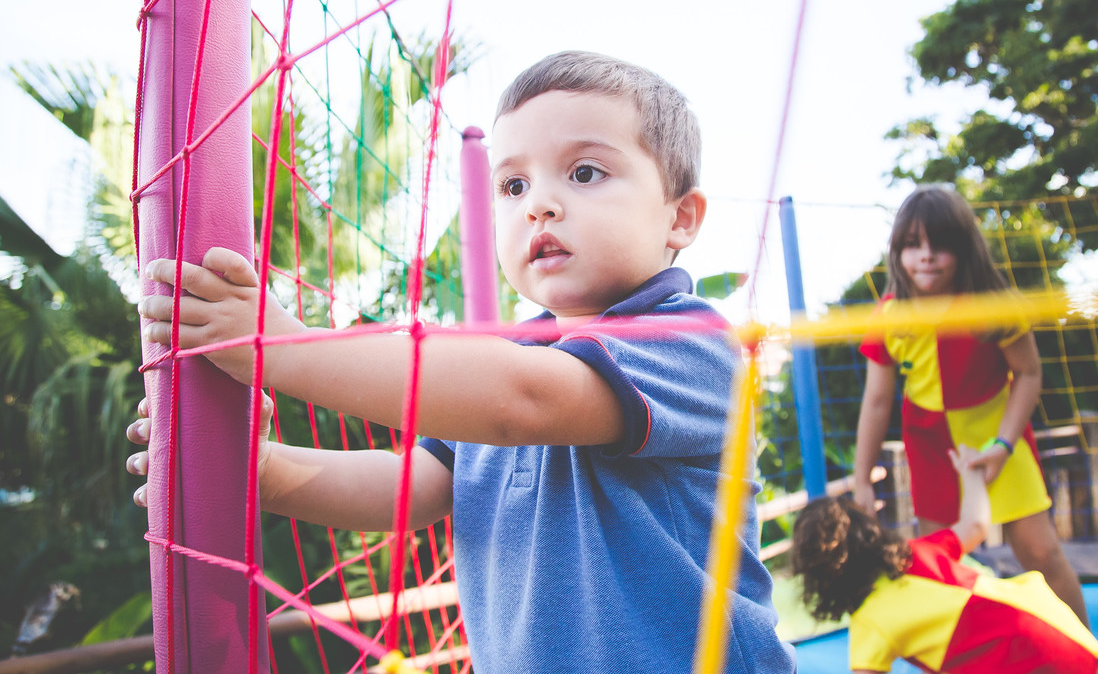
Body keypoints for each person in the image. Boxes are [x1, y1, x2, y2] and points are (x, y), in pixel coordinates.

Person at [127, 51, 797, 673]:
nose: (538, 202)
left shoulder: (688, 340)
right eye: (511, 185)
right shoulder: (507, 356)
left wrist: (286, 348)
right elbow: (406, 490)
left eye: (585, 172)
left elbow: (521, 403)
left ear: (680, 217)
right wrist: (260, 472)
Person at [851, 185, 1089, 626]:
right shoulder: (890, 314)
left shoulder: (993, 306)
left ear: (962, 249)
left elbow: (1029, 375)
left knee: (1041, 552)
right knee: (943, 565)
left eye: (939, 245)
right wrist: (862, 478)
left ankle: (1084, 652)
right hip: (931, 445)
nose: (926, 256)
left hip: (997, 432)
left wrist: (1003, 443)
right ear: (898, 251)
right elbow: (878, 399)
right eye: (912, 245)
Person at [794, 445, 1098, 673]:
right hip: (1068, 633)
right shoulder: (916, 551)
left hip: (1029, 663)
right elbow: (976, 525)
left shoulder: (870, 621)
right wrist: (970, 476)